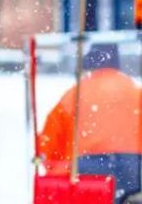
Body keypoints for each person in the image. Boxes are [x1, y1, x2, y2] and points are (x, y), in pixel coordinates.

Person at [37, 43, 142, 175]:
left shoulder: (74, 95)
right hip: (134, 171)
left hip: (87, 173)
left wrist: (56, 168)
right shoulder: (135, 92)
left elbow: (50, 145)